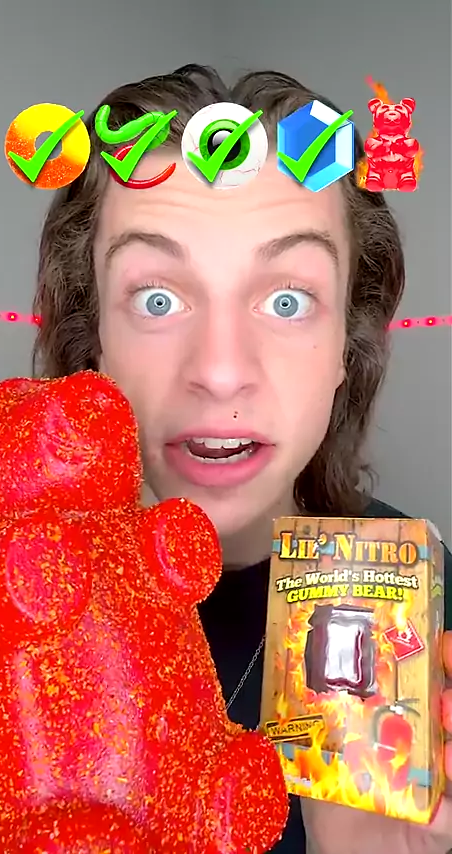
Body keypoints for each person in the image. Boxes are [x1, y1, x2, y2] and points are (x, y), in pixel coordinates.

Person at [32, 64, 451, 853]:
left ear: (347, 344)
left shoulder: (429, 604)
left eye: (287, 300)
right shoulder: (4, 604)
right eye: (157, 298)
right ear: (94, 344)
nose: (221, 371)